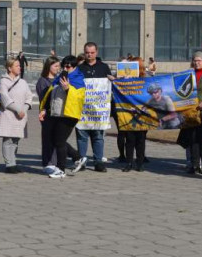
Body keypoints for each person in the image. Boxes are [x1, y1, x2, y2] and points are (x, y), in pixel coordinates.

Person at [39, 56, 86, 178]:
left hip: (69, 114)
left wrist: (68, 89)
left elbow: (79, 97)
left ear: (75, 67)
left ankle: (61, 169)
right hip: (57, 113)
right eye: (63, 66)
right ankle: (77, 158)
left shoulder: (78, 78)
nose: (65, 68)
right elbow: (50, 93)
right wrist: (44, 109)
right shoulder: (60, 78)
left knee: (59, 142)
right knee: (56, 140)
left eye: (68, 66)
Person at [74, 42, 113, 173]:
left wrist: (113, 80)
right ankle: (82, 161)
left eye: (92, 52)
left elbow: (110, 85)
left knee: (98, 136)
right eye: (87, 53)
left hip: (98, 110)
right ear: (84, 53)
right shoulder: (79, 69)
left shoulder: (104, 67)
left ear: (96, 52)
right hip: (83, 109)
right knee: (82, 136)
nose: (89, 55)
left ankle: (98, 162)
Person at [178, 51, 202, 175]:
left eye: (199, 60)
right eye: (195, 60)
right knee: (192, 139)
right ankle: (194, 165)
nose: (196, 62)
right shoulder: (187, 74)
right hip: (190, 112)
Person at [0, 58, 33, 174]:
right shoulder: (3, 81)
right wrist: (18, 110)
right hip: (9, 114)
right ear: (9, 68)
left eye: (19, 66)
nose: (20, 67)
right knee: (8, 140)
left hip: (21, 115)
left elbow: (29, 96)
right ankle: (9, 164)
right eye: (17, 66)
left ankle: (13, 162)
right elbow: (5, 98)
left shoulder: (22, 82)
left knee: (16, 140)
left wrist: (24, 109)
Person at [120, 57, 148, 172]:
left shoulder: (145, 79)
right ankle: (129, 162)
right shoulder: (126, 79)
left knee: (141, 139)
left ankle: (140, 162)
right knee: (130, 139)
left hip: (142, 113)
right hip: (128, 112)